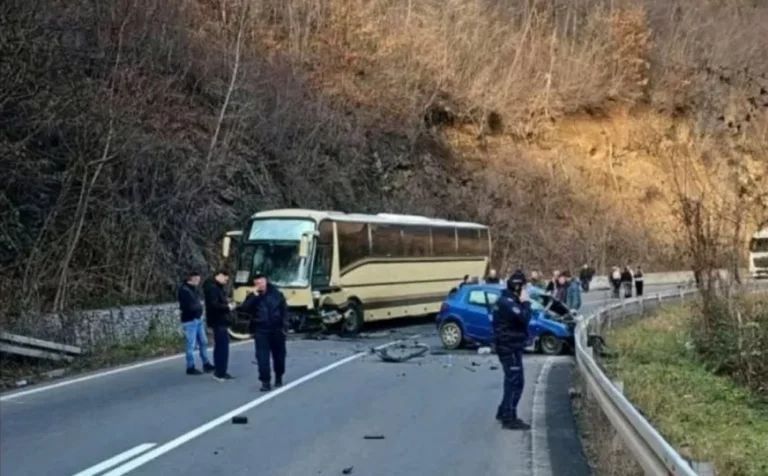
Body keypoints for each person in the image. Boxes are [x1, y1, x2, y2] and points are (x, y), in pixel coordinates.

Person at [492, 270, 532, 430]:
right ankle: (509, 417)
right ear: (518, 287)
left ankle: (503, 410)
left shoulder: (508, 300)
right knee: (516, 382)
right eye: (524, 287)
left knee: (511, 381)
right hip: (509, 347)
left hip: (511, 345)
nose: (526, 290)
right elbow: (524, 318)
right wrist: (526, 302)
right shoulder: (507, 303)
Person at [240, 273, 289, 392]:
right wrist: (254, 296)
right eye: (257, 283)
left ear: (266, 281)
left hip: (277, 329)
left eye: (261, 282)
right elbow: (244, 309)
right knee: (262, 357)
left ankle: (279, 376)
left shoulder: (276, 294)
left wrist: (285, 326)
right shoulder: (253, 296)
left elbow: (284, 311)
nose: (259, 285)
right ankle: (265, 381)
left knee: (279, 356)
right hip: (261, 330)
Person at [177, 271, 215, 375]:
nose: (198, 282)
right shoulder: (184, 290)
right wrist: (195, 312)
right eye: (197, 279)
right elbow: (186, 306)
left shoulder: (193, 289)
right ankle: (190, 367)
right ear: (192, 278)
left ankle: (206, 363)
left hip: (198, 319)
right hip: (190, 320)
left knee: (203, 341)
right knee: (191, 345)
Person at [204, 270, 237, 381]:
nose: (226, 280)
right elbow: (214, 305)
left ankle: (220, 371)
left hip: (219, 321)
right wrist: (228, 307)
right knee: (222, 347)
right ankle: (220, 373)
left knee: (220, 346)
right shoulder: (213, 288)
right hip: (218, 321)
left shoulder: (215, 287)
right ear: (218, 276)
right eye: (224, 277)